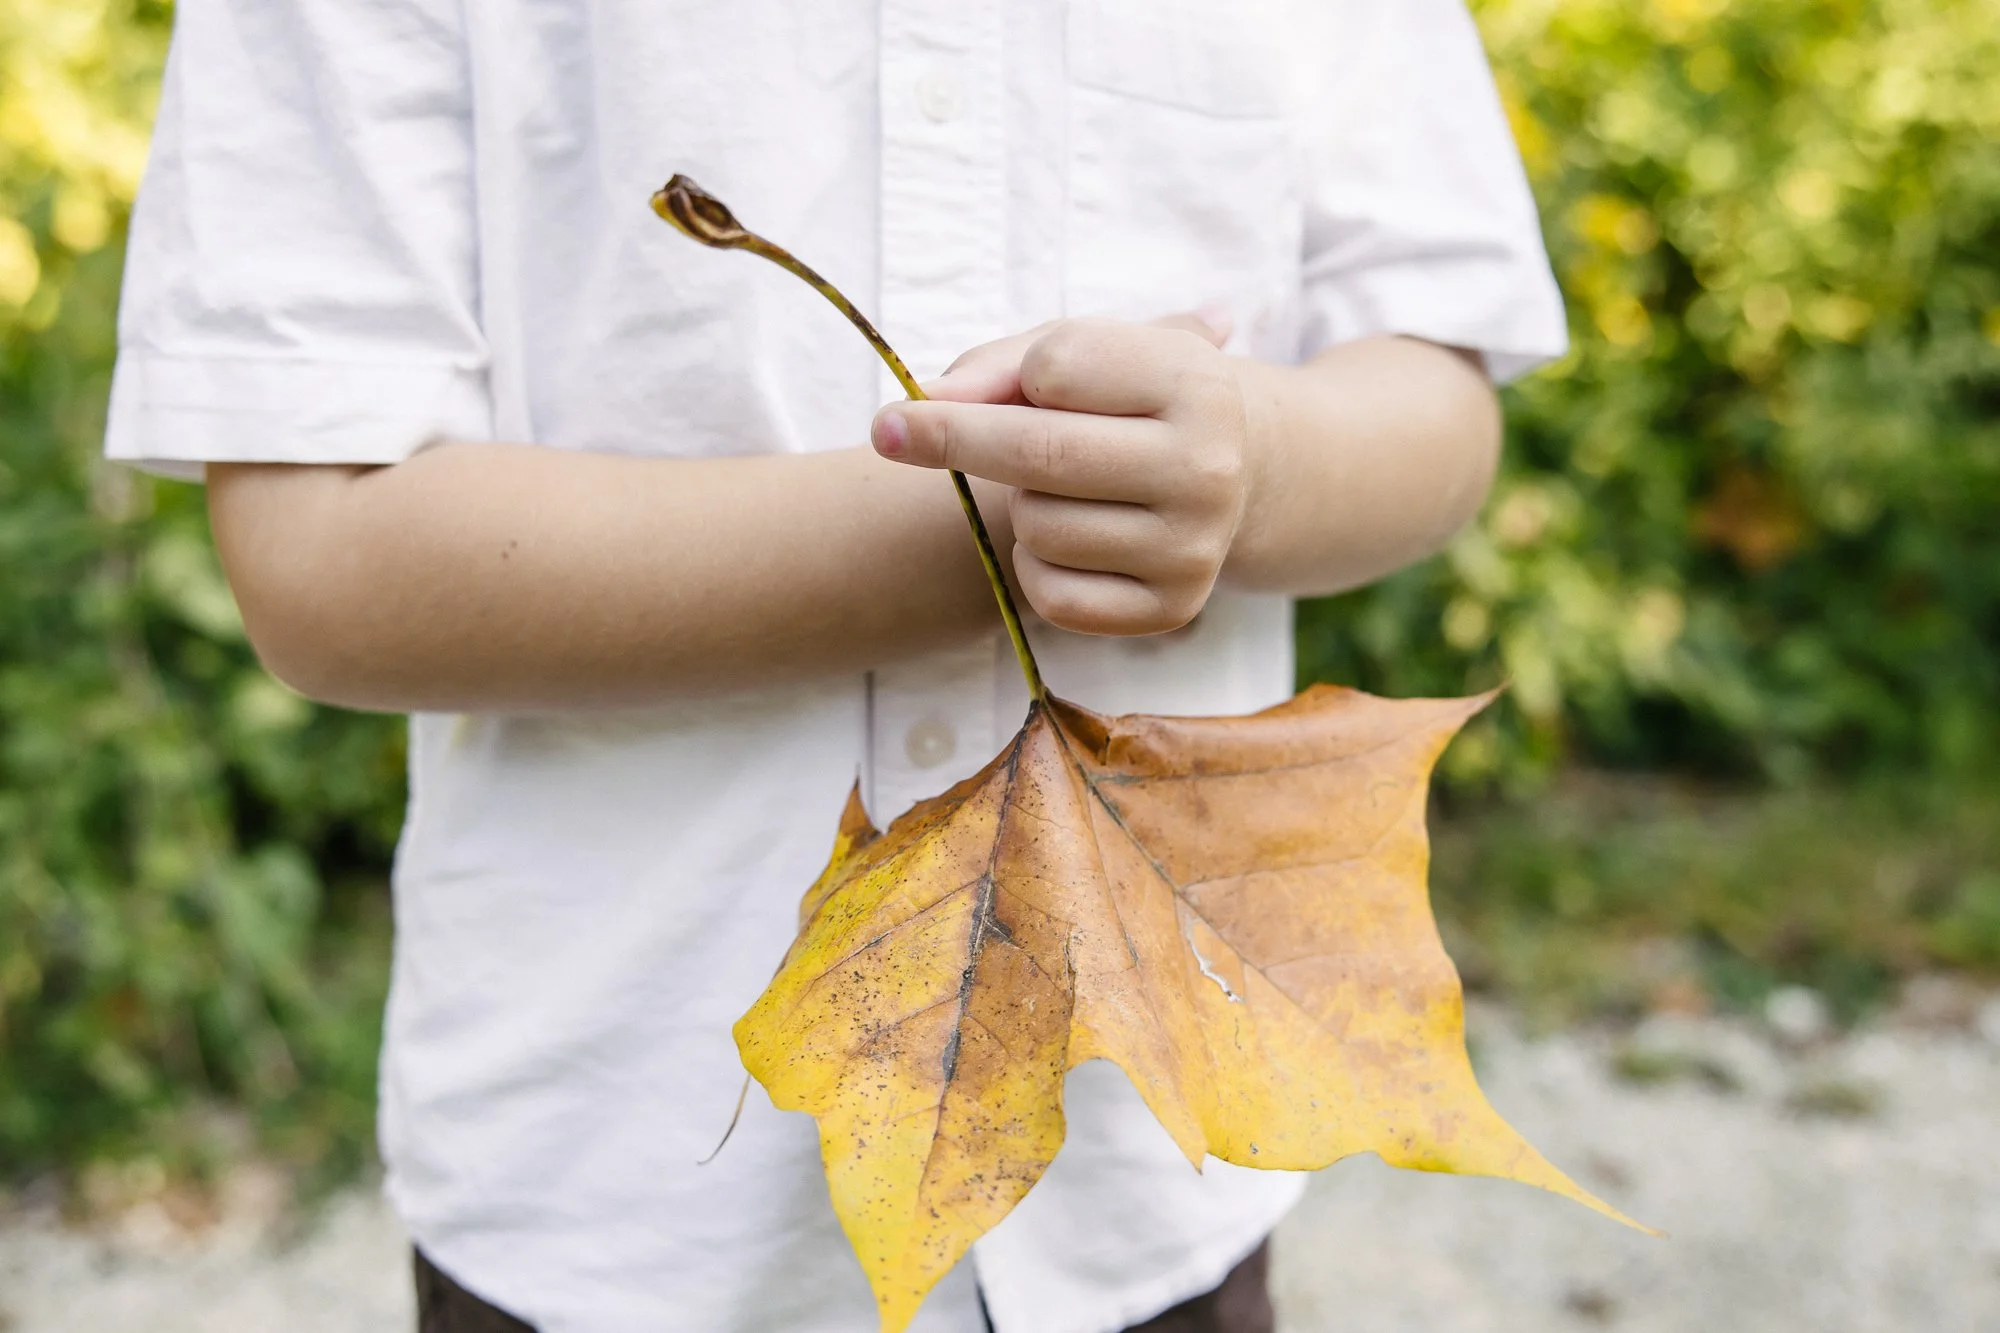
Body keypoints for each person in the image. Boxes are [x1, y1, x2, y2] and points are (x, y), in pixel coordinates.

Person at [106, 1, 1565, 1329]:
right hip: (616, 1199)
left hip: (1148, 1190)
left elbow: (1436, 384)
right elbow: (322, 552)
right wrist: (1006, 523)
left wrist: (1259, 464)